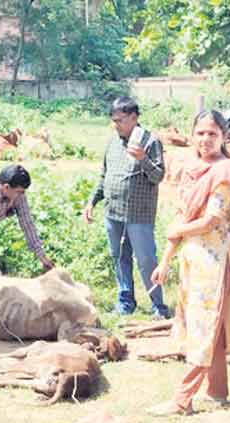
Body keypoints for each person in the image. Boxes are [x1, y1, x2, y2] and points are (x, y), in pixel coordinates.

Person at [147, 110, 230, 416]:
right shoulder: (190, 169)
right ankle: (217, 392)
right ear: (192, 134)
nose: (205, 139)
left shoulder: (226, 171)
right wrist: (164, 262)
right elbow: (181, 217)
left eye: (212, 134)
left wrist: (180, 231)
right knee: (208, 326)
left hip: (215, 262)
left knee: (204, 326)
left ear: (223, 137)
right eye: (200, 133)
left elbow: (213, 219)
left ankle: (182, 400)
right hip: (192, 259)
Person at [83, 96, 170, 318]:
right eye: (114, 120)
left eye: (120, 120)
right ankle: (125, 302)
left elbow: (158, 176)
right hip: (113, 212)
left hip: (138, 214)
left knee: (146, 260)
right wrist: (92, 202)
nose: (116, 125)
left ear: (134, 118)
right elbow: (105, 175)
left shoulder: (150, 142)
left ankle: (158, 305)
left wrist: (143, 159)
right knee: (119, 257)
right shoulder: (113, 142)